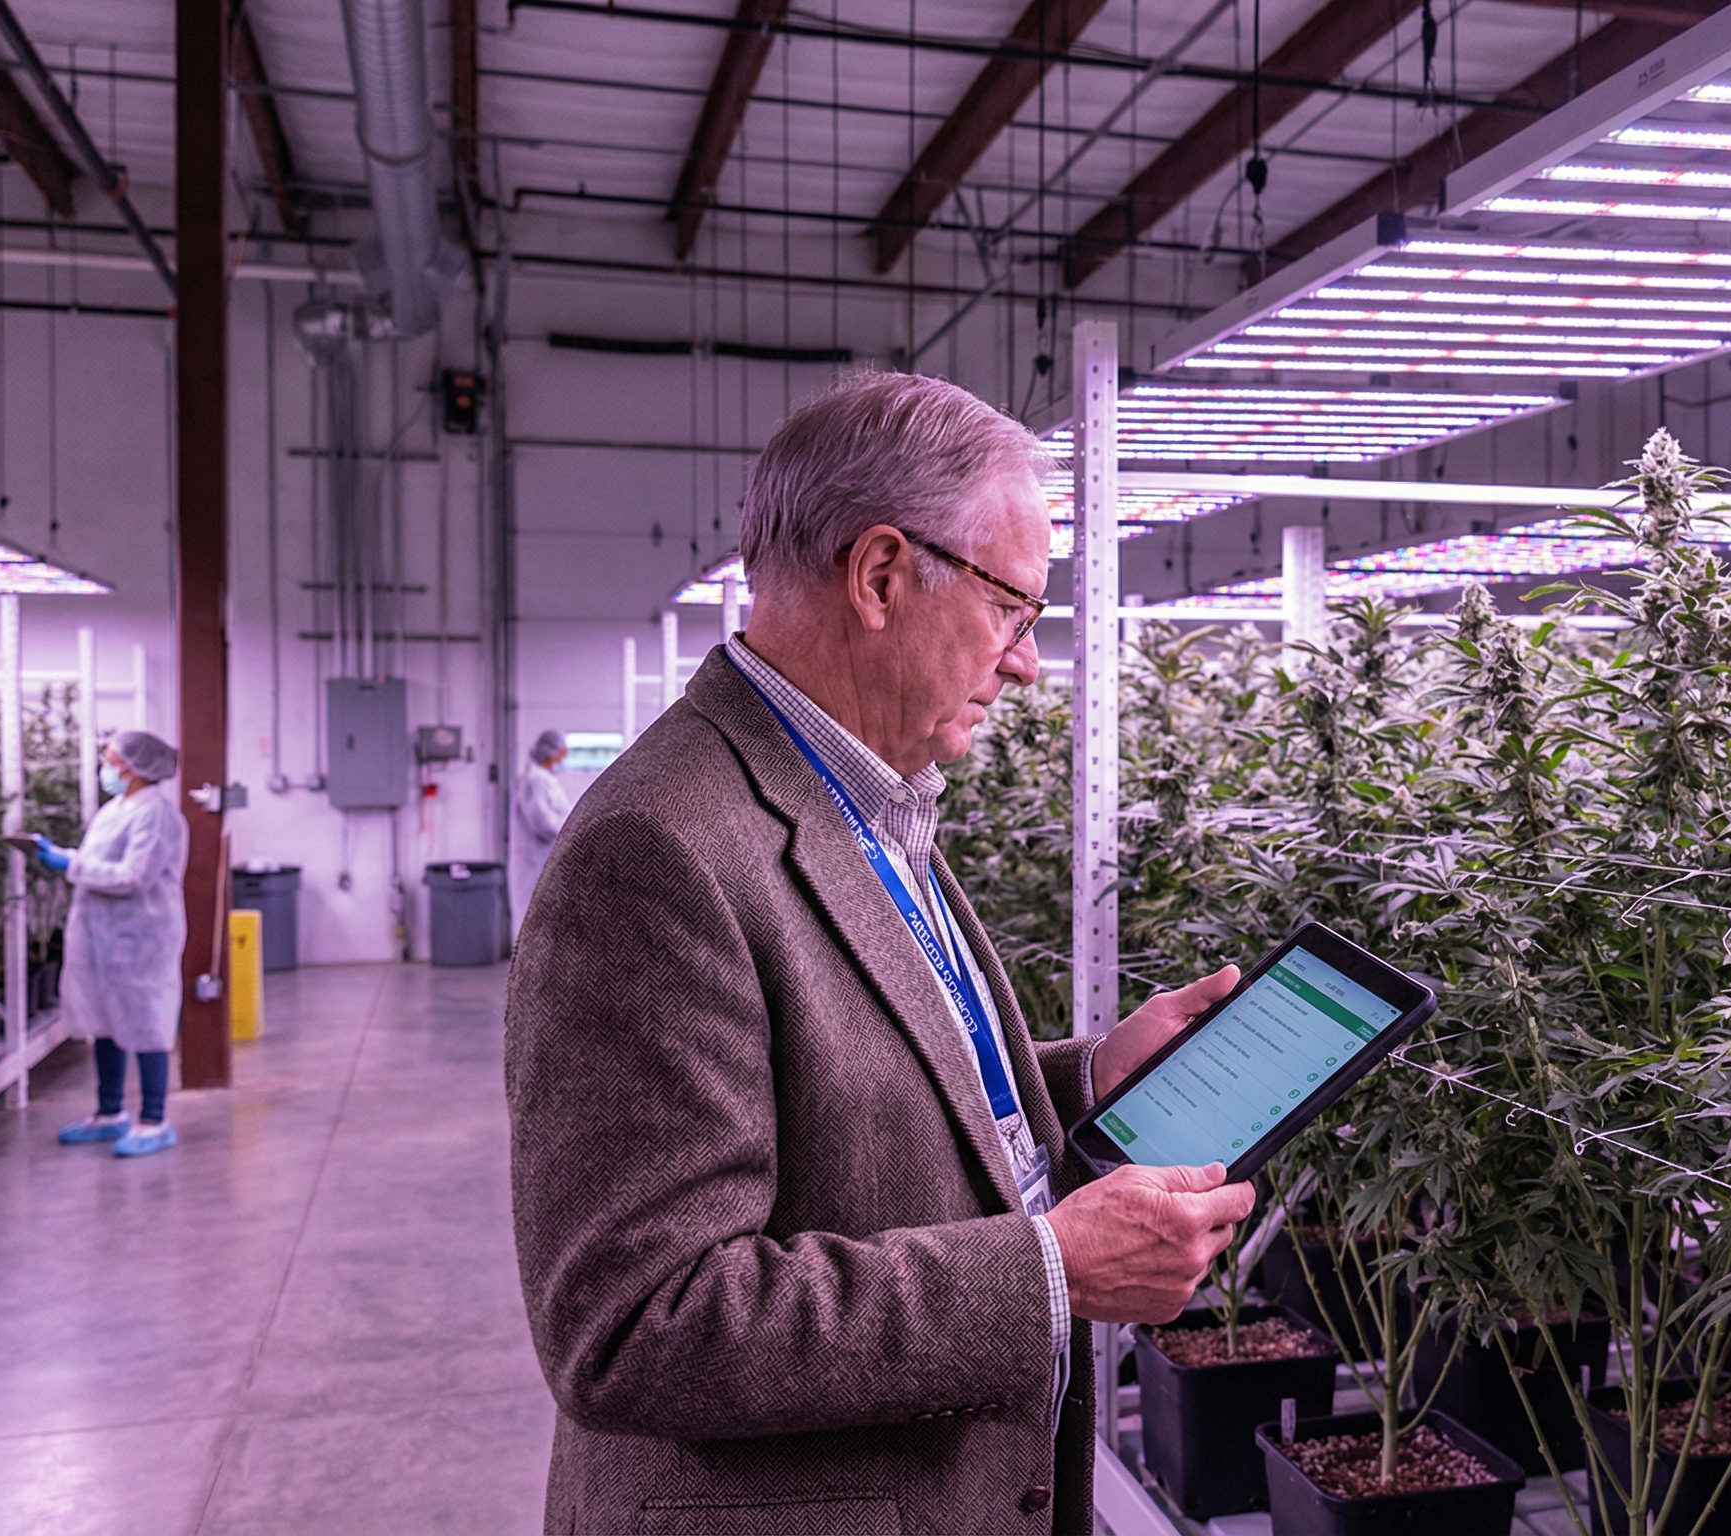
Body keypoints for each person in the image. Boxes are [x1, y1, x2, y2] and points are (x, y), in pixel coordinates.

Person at [506, 371, 1255, 1536]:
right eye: (1013, 610)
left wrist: (1089, 1077)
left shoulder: (863, 797)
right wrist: (1048, 1272)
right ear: (882, 575)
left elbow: (866, 1101)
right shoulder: (658, 852)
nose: (1025, 663)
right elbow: (639, 1323)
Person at [34, 730, 189, 1159]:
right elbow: (99, 863)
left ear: (134, 767)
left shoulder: (157, 814)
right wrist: (65, 856)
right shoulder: (115, 810)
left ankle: (154, 1121)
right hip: (101, 932)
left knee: (145, 1020)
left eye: (111, 759)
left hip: (141, 934)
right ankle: (108, 1113)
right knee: (105, 1019)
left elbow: (133, 876)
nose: (105, 766)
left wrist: (70, 864)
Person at [509, 728, 571, 941]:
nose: (563, 759)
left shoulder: (545, 779)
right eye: (562, 754)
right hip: (532, 863)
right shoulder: (532, 780)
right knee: (532, 926)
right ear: (551, 753)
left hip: (545, 862)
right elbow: (543, 823)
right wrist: (575, 825)